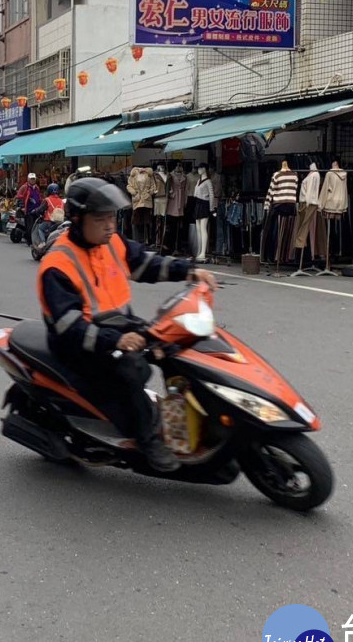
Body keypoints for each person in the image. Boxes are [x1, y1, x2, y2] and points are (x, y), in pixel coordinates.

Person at [37, 178, 218, 472]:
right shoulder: (57, 265)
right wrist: (116, 341)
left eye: (112, 217)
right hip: (80, 345)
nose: (110, 225)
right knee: (131, 370)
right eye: (101, 219)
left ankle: (184, 422)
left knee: (173, 345)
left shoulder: (111, 243)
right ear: (77, 219)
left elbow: (147, 264)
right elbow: (69, 328)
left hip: (117, 328)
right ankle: (148, 441)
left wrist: (190, 271)